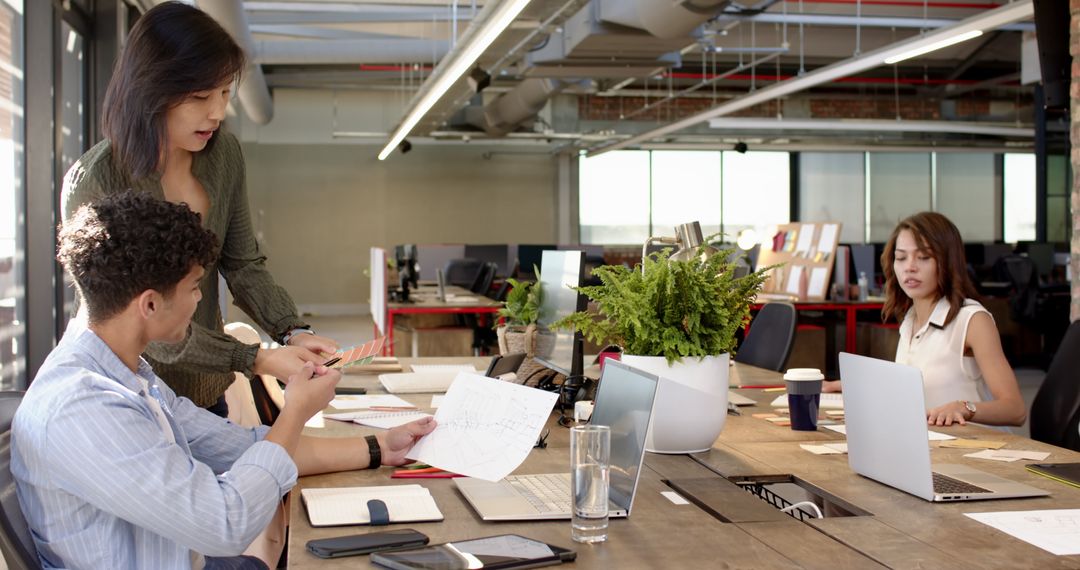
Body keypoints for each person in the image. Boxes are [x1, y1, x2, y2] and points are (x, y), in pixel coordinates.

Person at [13, 192, 436, 569]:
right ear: (150, 303)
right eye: (195, 287)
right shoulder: (85, 407)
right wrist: (296, 411)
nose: (200, 300)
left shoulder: (130, 375)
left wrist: (379, 447)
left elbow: (247, 448)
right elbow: (225, 523)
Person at [61, 1, 334, 414]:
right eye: (200, 96)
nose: (218, 111)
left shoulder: (223, 155)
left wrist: (291, 330)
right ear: (150, 92)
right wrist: (253, 358)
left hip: (206, 392)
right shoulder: (96, 182)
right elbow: (140, 321)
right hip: (125, 398)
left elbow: (243, 264)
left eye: (225, 92)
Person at [825, 212, 1025, 427]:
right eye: (901, 257)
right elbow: (916, 388)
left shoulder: (972, 320)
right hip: (931, 447)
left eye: (923, 257)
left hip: (972, 450)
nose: (909, 267)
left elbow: (1015, 410)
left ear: (948, 262)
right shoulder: (910, 320)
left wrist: (964, 407)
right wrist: (858, 386)